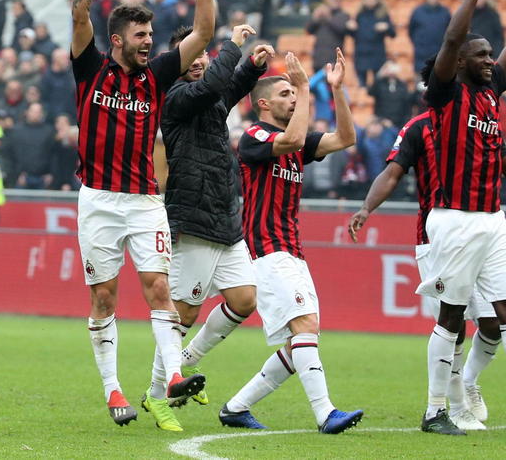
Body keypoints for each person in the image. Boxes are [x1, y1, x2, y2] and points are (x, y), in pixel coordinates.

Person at [70, 0, 215, 430]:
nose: (149, 41)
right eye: (140, 35)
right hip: (98, 201)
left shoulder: (156, 76)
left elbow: (204, 32)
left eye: (151, 34)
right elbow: (79, 11)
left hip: (145, 200)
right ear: (117, 39)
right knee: (104, 297)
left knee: (158, 288)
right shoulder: (90, 69)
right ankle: (113, 389)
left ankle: (173, 376)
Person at [219, 50, 363, 434]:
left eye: (293, 93)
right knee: (305, 326)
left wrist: (337, 90)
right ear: (263, 103)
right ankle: (325, 413)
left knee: (297, 340)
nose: (294, 98)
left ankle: (236, 407)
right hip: (267, 249)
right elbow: (295, 136)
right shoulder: (255, 137)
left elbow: (346, 137)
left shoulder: (295, 142)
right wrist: (302, 82)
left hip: (292, 251)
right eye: (285, 94)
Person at [348, 78, 498, 432]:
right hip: (439, 237)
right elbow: (392, 171)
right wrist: (367, 208)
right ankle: (453, 406)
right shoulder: (419, 128)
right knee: (454, 324)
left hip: (484, 226)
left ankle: (469, 382)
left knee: (492, 324)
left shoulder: (478, 123)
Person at [413, 0, 506, 435]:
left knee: (498, 320)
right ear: (461, 62)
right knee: (452, 316)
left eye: (493, 54)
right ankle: (434, 411)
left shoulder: (491, 93)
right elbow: (453, 37)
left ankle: (467, 383)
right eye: (482, 55)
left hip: (494, 219)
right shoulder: (447, 94)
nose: (490, 61)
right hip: (456, 219)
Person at [157, 24, 274, 412]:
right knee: (184, 312)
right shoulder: (175, 97)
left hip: (224, 218)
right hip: (191, 218)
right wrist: (234, 46)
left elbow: (225, 88)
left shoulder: (209, 93)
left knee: (244, 300)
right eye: (190, 54)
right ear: (178, 63)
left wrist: (253, 67)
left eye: (202, 53)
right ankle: (158, 392)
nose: (198, 59)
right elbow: (211, 88)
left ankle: (187, 361)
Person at [409, 0, 452, 73]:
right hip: (421, 55)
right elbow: (411, 30)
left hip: (440, 54)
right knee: (420, 83)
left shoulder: (445, 12)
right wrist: (419, 44)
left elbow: (450, 30)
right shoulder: (417, 12)